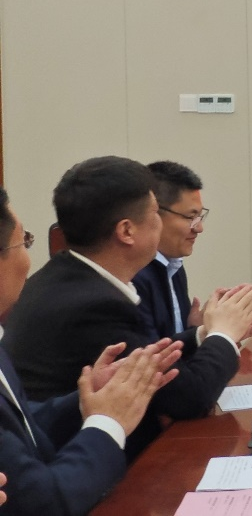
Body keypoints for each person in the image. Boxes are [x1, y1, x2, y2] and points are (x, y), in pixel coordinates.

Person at [2, 156, 252, 458]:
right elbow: (188, 399)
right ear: (127, 231)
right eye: (155, 213)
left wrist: (204, 333)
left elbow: (147, 353)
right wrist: (223, 335)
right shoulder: (94, 305)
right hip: (80, 468)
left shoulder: (70, 277)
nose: (160, 222)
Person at [0, 185, 183, 516]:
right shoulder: (90, 300)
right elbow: (45, 501)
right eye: (24, 242)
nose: (28, 259)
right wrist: (108, 422)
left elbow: (22, 424)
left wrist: (90, 399)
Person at [132, 160, 252, 341]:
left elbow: (173, 340)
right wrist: (217, 334)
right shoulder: (134, 275)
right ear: (154, 213)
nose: (199, 228)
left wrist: (199, 327)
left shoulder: (173, 264)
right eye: (190, 217)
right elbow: (156, 354)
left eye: (200, 216)